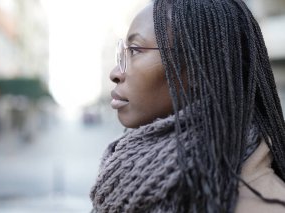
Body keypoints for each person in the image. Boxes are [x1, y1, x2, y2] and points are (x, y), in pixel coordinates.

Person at [90, 0, 285, 212]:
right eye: (123, 52)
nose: (115, 73)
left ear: (197, 68)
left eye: (135, 50)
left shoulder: (264, 204)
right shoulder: (127, 175)